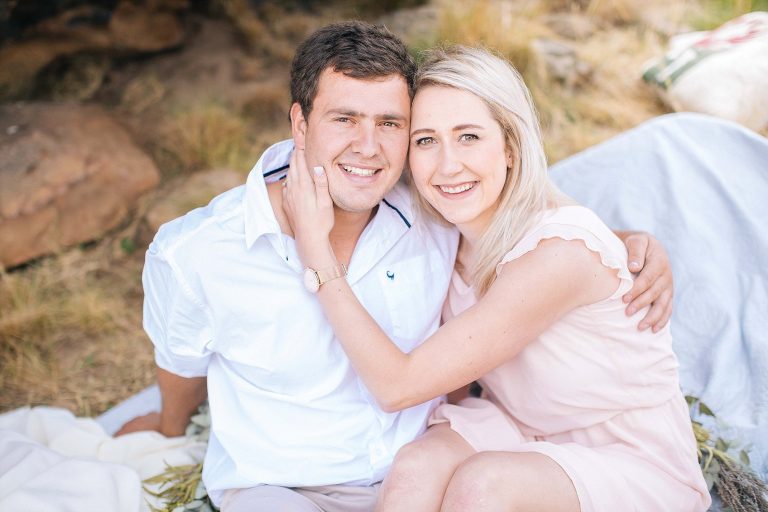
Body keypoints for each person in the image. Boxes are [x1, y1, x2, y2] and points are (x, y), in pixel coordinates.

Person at [116, 22, 675, 511]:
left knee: (467, 485)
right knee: (417, 478)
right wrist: (168, 427)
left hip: (518, 450)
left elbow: (547, 241)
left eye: (390, 124)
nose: (369, 148)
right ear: (300, 124)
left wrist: (624, 244)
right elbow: (179, 358)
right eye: (345, 118)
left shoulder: (431, 215)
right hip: (282, 482)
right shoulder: (199, 253)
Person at [282, 46, 710, 512]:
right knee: (413, 470)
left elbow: (397, 387)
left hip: (626, 454)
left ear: (509, 146)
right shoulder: (444, 236)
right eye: (425, 141)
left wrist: (317, 252)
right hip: (518, 425)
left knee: (482, 486)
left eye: (468, 136)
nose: (448, 165)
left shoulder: (562, 252)